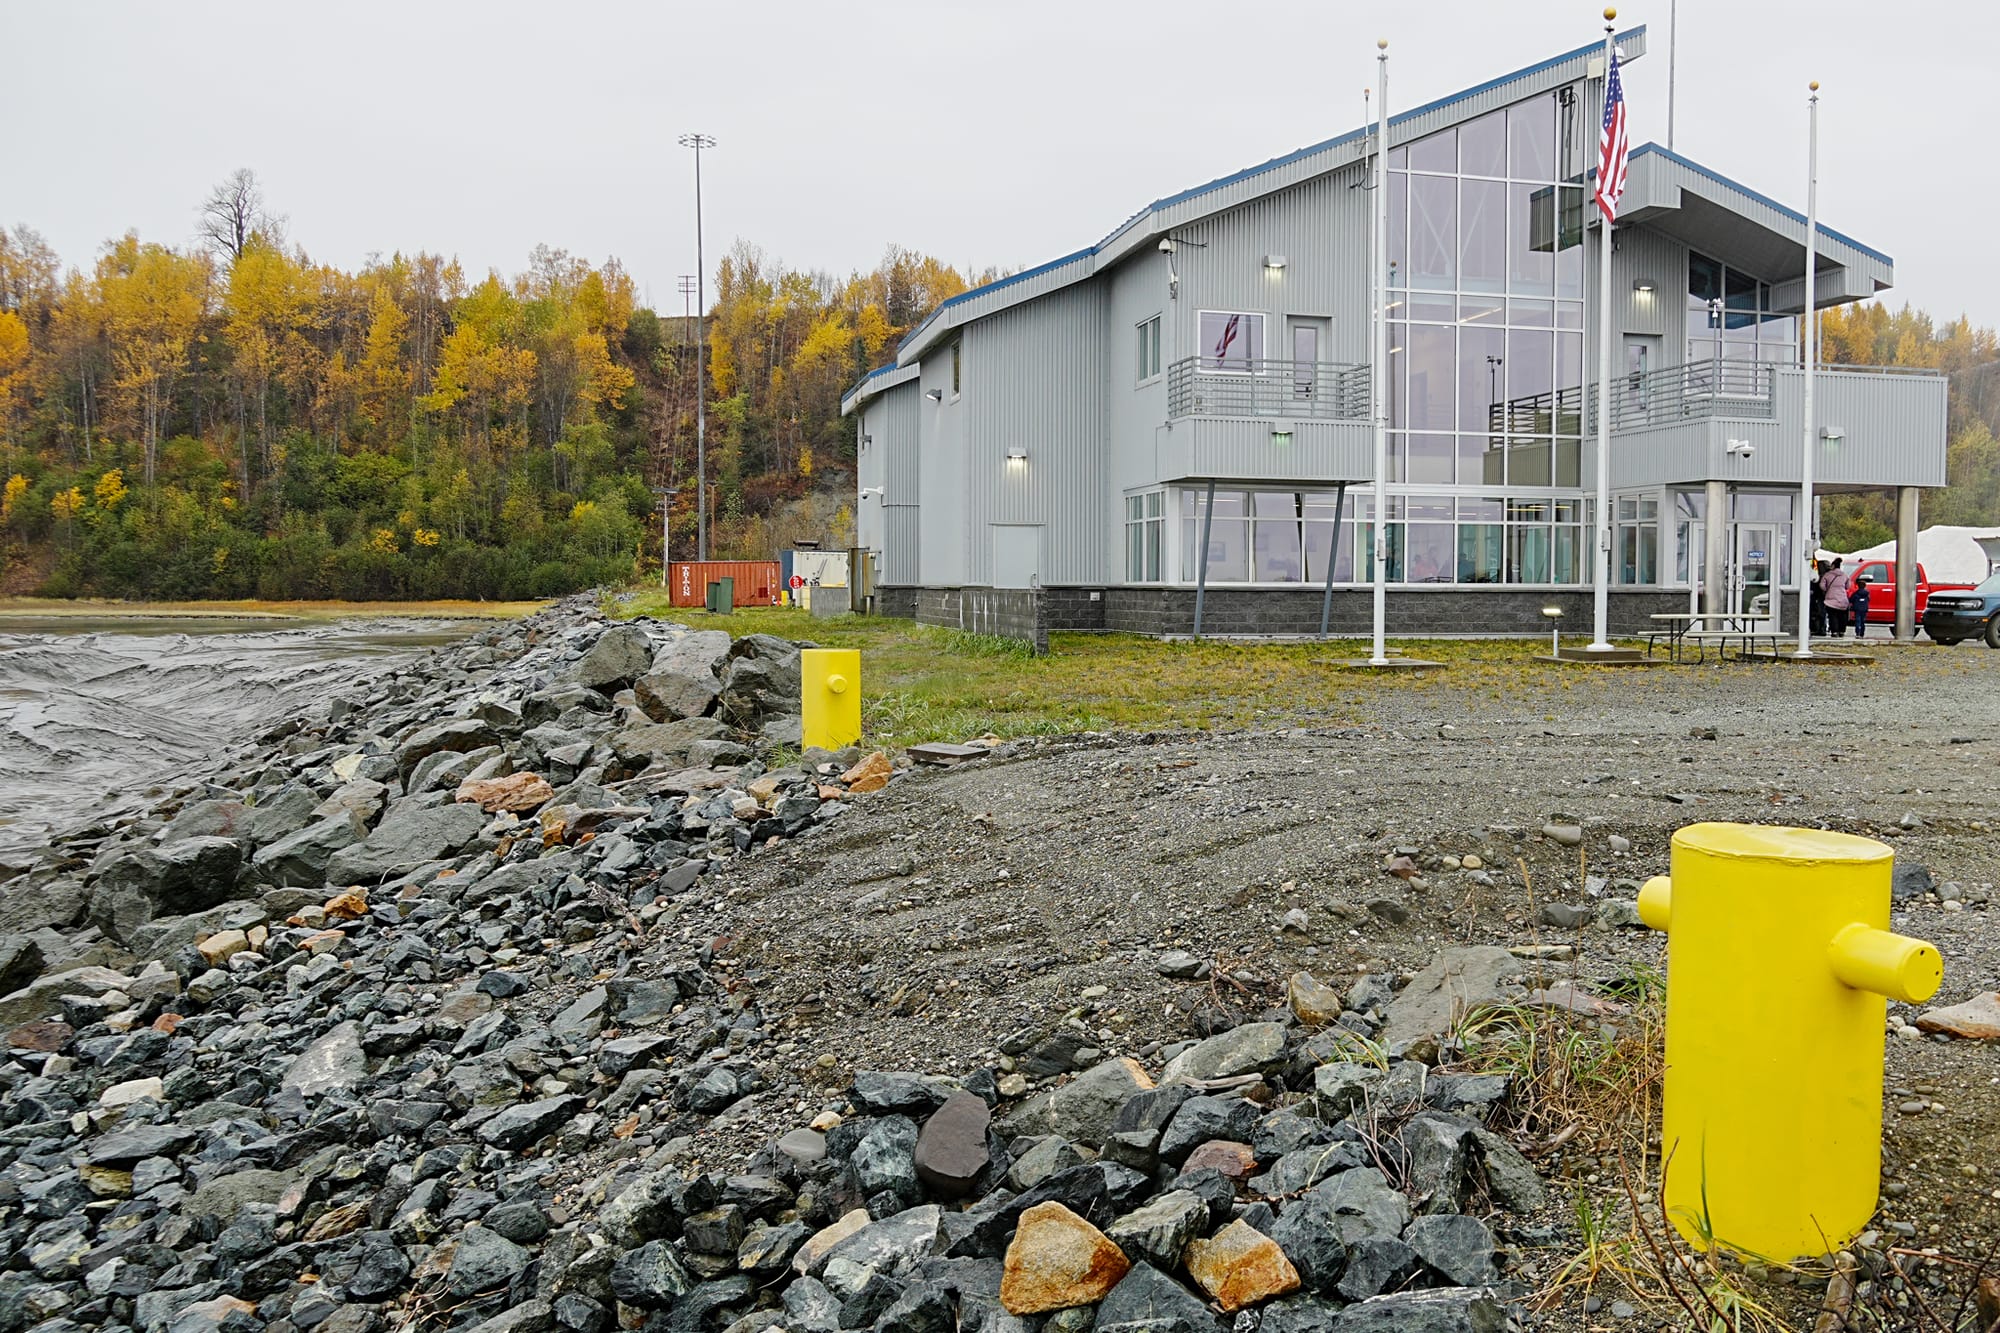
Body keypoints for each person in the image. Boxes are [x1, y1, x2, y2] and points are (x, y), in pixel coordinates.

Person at [1822, 557, 1849, 637]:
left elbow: (1822, 586)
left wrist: (1827, 589)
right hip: (1843, 599)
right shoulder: (1845, 575)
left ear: (1833, 565)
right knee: (1842, 616)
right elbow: (1848, 586)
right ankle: (1842, 631)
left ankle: (1834, 631)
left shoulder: (1827, 575)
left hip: (1831, 600)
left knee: (1832, 616)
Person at [1809, 559, 1827, 637]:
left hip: (1816, 597)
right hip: (1822, 597)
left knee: (1817, 613)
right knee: (1822, 613)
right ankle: (1822, 628)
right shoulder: (1825, 576)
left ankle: (1817, 628)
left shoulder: (1816, 577)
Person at [1851, 574, 1872, 638]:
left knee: (1858, 621)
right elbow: (1869, 599)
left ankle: (1858, 633)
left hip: (1857, 609)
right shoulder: (1867, 593)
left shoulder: (1856, 593)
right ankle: (1862, 633)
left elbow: (1851, 599)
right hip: (1864, 609)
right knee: (1863, 621)